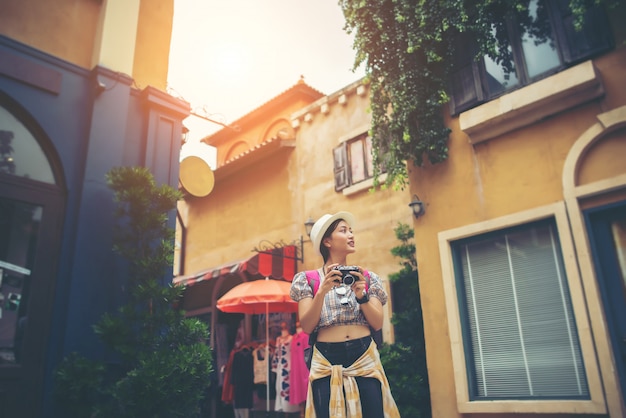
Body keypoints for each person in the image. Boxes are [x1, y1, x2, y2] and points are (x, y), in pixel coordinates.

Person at [290, 211, 400, 418]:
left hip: (364, 356)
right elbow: (307, 326)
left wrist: (362, 296)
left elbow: (377, 323)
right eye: (344, 231)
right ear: (327, 241)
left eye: (351, 231)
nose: (351, 235)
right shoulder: (308, 280)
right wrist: (322, 291)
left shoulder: (367, 277)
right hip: (325, 359)